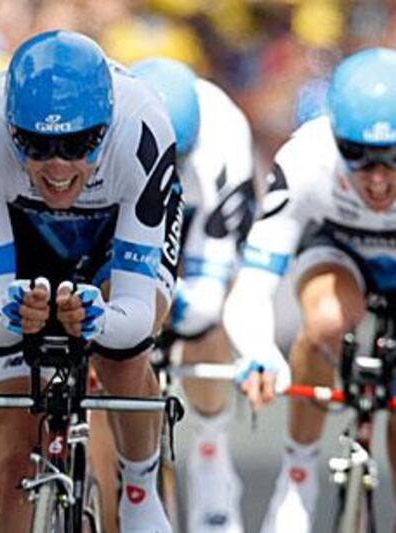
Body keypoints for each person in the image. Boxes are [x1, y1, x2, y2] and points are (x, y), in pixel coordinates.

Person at [222, 47, 396, 533]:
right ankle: (298, 476)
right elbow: (252, 285)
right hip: (339, 257)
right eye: (357, 156)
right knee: (328, 318)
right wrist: (257, 350)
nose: (377, 180)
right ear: (335, 140)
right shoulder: (305, 159)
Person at [0, 30, 181, 532]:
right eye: (36, 146)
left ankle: (141, 492)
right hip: (23, 242)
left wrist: (101, 317)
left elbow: (135, 316)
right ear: (11, 129)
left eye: (77, 145)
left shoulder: (142, 127)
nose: (57, 167)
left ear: (105, 129)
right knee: (14, 448)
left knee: (124, 360)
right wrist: (13, 310)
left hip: (111, 239)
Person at [132, 57, 255, 532]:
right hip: (130, 201)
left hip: (203, 215)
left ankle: (210, 454)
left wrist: (173, 305)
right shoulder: (113, 123)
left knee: (204, 319)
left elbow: (209, 284)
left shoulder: (223, 134)